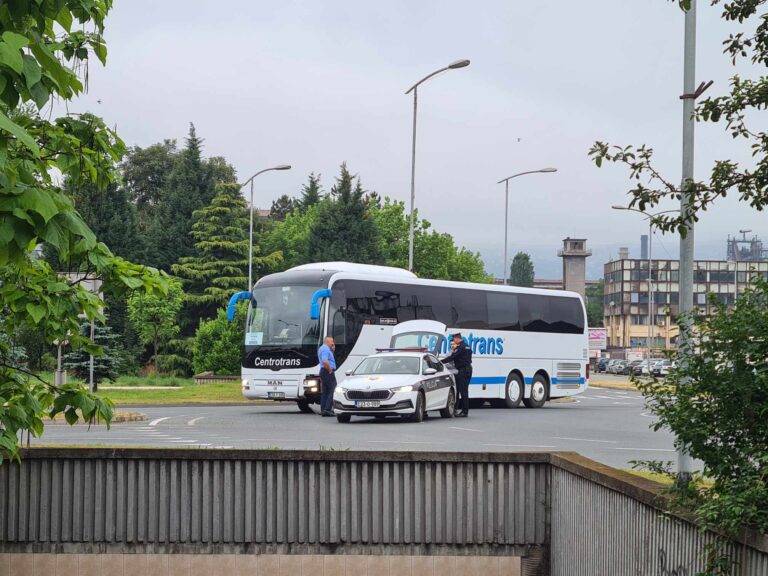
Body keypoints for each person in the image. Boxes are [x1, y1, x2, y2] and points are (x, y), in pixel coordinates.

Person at [442, 333, 472, 417]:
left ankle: (465, 411)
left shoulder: (461, 347)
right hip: (468, 369)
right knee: (464, 390)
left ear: (457, 338)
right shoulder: (467, 346)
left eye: (454, 339)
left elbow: (452, 357)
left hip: (463, 370)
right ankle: (464, 410)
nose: (453, 340)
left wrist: (440, 362)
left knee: (463, 391)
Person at [318, 336, 337, 417]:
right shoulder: (325, 349)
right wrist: (330, 370)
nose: (333, 343)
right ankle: (327, 409)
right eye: (331, 342)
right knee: (333, 389)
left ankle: (324, 409)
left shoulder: (322, 348)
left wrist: (332, 350)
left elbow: (327, 359)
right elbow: (325, 361)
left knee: (325, 391)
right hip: (327, 371)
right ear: (327, 342)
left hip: (323, 371)